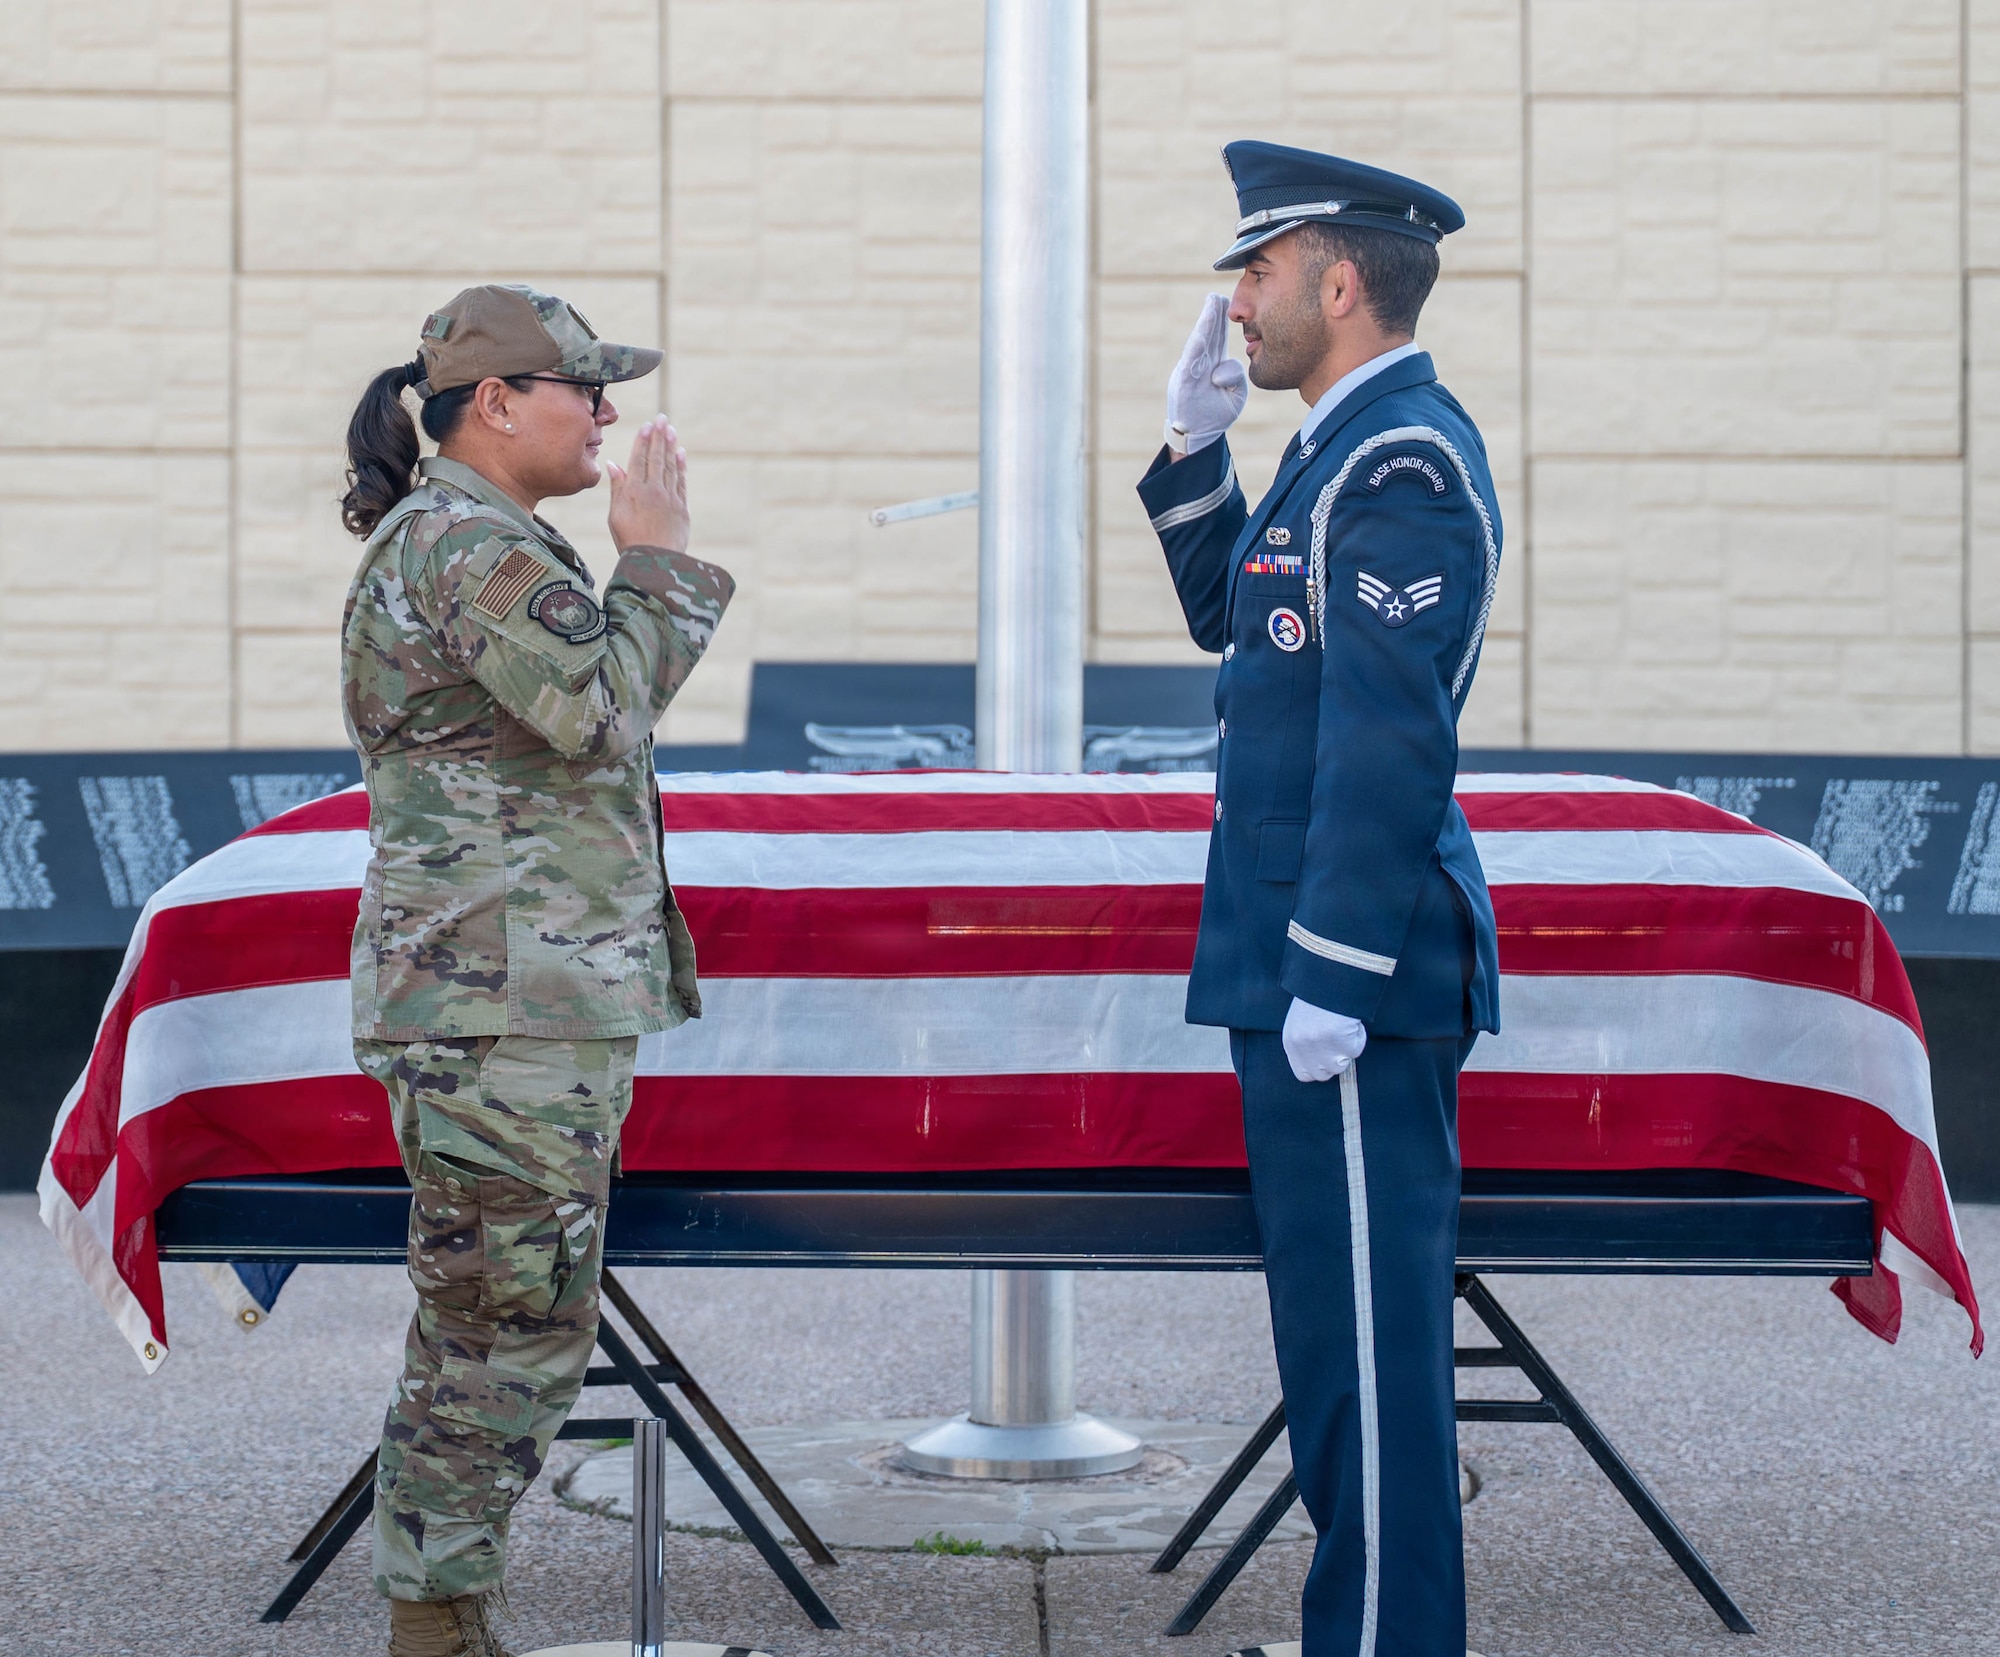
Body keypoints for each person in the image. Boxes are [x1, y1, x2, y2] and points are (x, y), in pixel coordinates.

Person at [1138, 144, 1503, 1657]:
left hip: (1340, 971)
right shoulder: (1335, 449)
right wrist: (1192, 455)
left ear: (1339, 281)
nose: (1236, 303)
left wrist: (1334, 976)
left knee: (1371, 1353)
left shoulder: (1400, 459)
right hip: (1300, 964)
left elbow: (1387, 737)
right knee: (1335, 1346)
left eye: (1258, 269)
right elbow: (1246, 614)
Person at [338, 282, 735, 1657]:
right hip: (499, 1011)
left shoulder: (477, 539)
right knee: (503, 1326)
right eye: (583, 384)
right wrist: (659, 558)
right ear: (496, 401)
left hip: (508, 1000)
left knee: (505, 1317)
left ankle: (443, 1612)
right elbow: (598, 710)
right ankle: (435, 1626)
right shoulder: (469, 548)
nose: (609, 412)